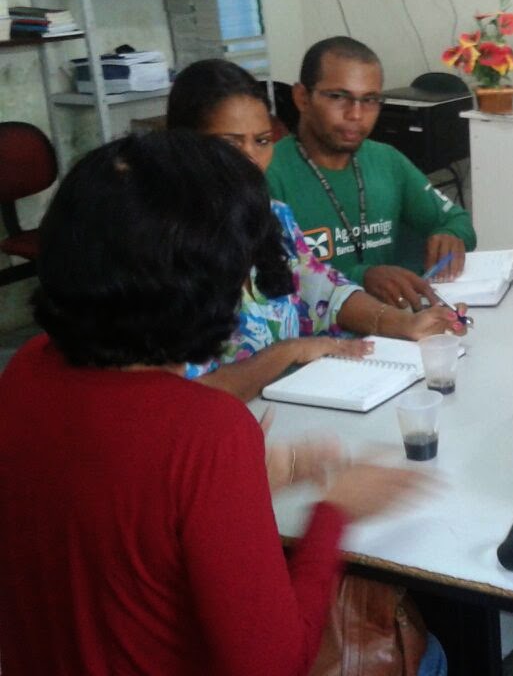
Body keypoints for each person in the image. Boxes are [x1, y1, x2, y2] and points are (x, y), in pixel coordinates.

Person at [0, 132, 424, 675]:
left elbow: (116, 519)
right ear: (213, 286)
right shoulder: (206, 431)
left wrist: (243, 484)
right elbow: (275, 665)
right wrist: (333, 514)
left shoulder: (26, 368)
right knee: (426, 653)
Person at [168, 59, 465, 401]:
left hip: (293, 405)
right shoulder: (160, 245)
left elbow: (322, 290)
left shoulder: (272, 217)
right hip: (221, 424)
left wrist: (404, 324)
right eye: (231, 143)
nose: (249, 158)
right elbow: (180, 394)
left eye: (262, 141)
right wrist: (289, 352)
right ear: (183, 144)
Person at [267, 36, 477, 308]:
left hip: (396, 321)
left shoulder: (386, 160)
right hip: (317, 328)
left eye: (370, 100)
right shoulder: (270, 172)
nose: (356, 114)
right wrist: (361, 277)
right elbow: (271, 280)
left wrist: (451, 236)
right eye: (338, 97)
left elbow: (459, 221)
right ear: (302, 98)